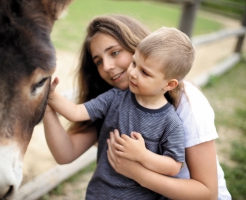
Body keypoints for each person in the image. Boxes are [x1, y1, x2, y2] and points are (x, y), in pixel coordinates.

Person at [43, 15, 231, 199]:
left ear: (137, 47)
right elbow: (65, 153)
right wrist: (46, 99)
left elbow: (207, 193)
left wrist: (137, 172)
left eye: (115, 52)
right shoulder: (115, 98)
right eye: (98, 61)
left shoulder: (187, 102)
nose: (107, 66)